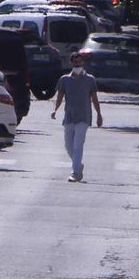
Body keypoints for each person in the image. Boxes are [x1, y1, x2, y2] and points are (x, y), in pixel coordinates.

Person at [51, 51, 103, 182]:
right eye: (75, 62)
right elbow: (59, 97)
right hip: (69, 117)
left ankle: (75, 173)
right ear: (71, 63)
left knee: (77, 145)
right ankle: (78, 165)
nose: (77, 64)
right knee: (68, 146)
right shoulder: (64, 80)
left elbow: (95, 98)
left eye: (79, 62)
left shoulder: (90, 80)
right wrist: (55, 110)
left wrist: (99, 114)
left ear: (83, 63)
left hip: (84, 117)